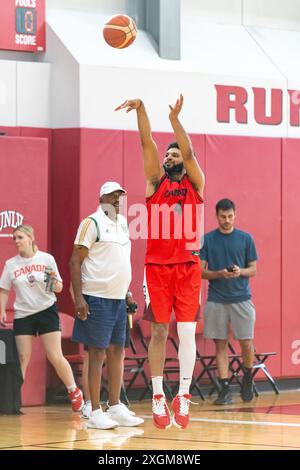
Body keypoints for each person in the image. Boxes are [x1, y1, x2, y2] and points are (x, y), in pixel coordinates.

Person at [116, 95, 205, 429]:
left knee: (186, 332)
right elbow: (145, 143)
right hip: (156, 267)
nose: (169, 156)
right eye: (167, 153)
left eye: (174, 153)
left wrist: (175, 121)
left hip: (188, 267)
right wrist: (141, 109)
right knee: (158, 330)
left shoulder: (196, 183)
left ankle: (182, 395)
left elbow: (191, 152)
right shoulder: (156, 182)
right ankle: (157, 395)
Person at [69, 181, 144, 429]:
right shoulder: (91, 223)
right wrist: (79, 298)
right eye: (112, 196)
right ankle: (95, 411)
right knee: (97, 353)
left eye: (120, 196)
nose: (117, 200)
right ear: (101, 198)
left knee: (117, 351)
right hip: (96, 296)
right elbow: (74, 261)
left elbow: (119, 261)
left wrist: (128, 292)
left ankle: (115, 405)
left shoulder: (123, 224)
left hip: (118, 298)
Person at [0, 224, 84, 412]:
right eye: (14, 239)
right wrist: (1, 310)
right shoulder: (11, 264)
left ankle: (74, 391)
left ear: (30, 238)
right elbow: (3, 290)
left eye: (20, 237)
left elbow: (59, 287)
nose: (16, 242)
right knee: (22, 357)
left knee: (55, 355)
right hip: (24, 314)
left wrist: (52, 282)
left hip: (46, 310)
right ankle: (13, 401)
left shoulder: (46, 259)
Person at [200, 199, 258, 405]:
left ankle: (248, 378)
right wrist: (219, 274)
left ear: (235, 214)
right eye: (223, 217)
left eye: (230, 216)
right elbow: (200, 271)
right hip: (216, 299)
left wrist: (239, 272)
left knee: (246, 343)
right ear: (217, 216)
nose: (226, 220)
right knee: (220, 345)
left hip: (242, 298)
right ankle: (224, 389)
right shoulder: (207, 240)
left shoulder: (246, 238)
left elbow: (253, 269)